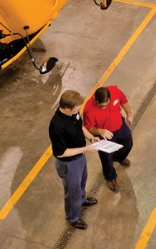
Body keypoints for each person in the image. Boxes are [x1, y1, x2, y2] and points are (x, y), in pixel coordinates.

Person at [49, 90, 99, 230]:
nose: (79, 111)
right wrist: (85, 149)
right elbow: (60, 153)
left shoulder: (73, 114)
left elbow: (80, 126)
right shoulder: (57, 126)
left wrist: (90, 137)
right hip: (69, 164)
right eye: (77, 108)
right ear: (66, 108)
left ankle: (82, 200)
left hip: (80, 157)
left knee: (82, 182)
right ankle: (72, 217)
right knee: (72, 192)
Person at [82, 86, 134, 193]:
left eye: (107, 104)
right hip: (105, 135)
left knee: (128, 143)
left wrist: (129, 113)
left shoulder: (115, 90)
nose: (105, 107)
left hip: (120, 126)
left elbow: (123, 101)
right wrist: (100, 131)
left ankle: (119, 157)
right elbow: (89, 129)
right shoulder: (88, 109)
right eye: (102, 106)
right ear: (96, 101)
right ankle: (110, 177)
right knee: (106, 158)